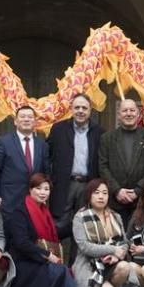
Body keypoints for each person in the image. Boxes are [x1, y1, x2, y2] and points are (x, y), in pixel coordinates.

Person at [0, 173, 80, 287]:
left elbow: (55, 234)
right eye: (38, 188)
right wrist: (48, 255)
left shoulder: (44, 212)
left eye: (46, 189)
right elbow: (22, 243)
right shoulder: (19, 212)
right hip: (23, 261)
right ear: (30, 189)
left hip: (38, 258)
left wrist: (77, 222)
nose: (43, 193)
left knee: (59, 269)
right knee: (58, 270)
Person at [72, 179, 140, 287]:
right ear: (89, 195)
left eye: (105, 193)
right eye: (96, 193)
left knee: (125, 266)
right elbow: (85, 247)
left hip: (110, 264)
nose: (101, 196)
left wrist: (118, 255)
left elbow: (124, 242)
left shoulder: (116, 216)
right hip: (89, 264)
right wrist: (113, 250)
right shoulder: (80, 217)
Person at [98, 98, 144, 226]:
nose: (129, 113)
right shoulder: (107, 138)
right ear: (119, 115)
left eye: (132, 110)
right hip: (115, 199)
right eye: (124, 110)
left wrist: (138, 190)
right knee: (116, 240)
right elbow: (102, 166)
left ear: (138, 114)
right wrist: (117, 190)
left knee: (138, 240)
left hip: (141, 199)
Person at [48, 93, 104, 232]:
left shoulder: (99, 132)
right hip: (63, 185)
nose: (80, 111)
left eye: (84, 108)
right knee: (58, 226)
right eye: (77, 107)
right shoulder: (58, 129)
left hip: (88, 185)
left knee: (86, 226)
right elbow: (48, 155)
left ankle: (77, 255)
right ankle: (56, 253)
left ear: (90, 110)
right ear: (71, 109)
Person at [0, 105, 49, 212]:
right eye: (22, 117)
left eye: (30, 117)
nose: (26, 119)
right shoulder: (3, 142)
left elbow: (46, 172)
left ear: (35, 122)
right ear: (15, 121)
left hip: (35, 200)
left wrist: (44, 193)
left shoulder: (42, 144)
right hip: (10, 199)